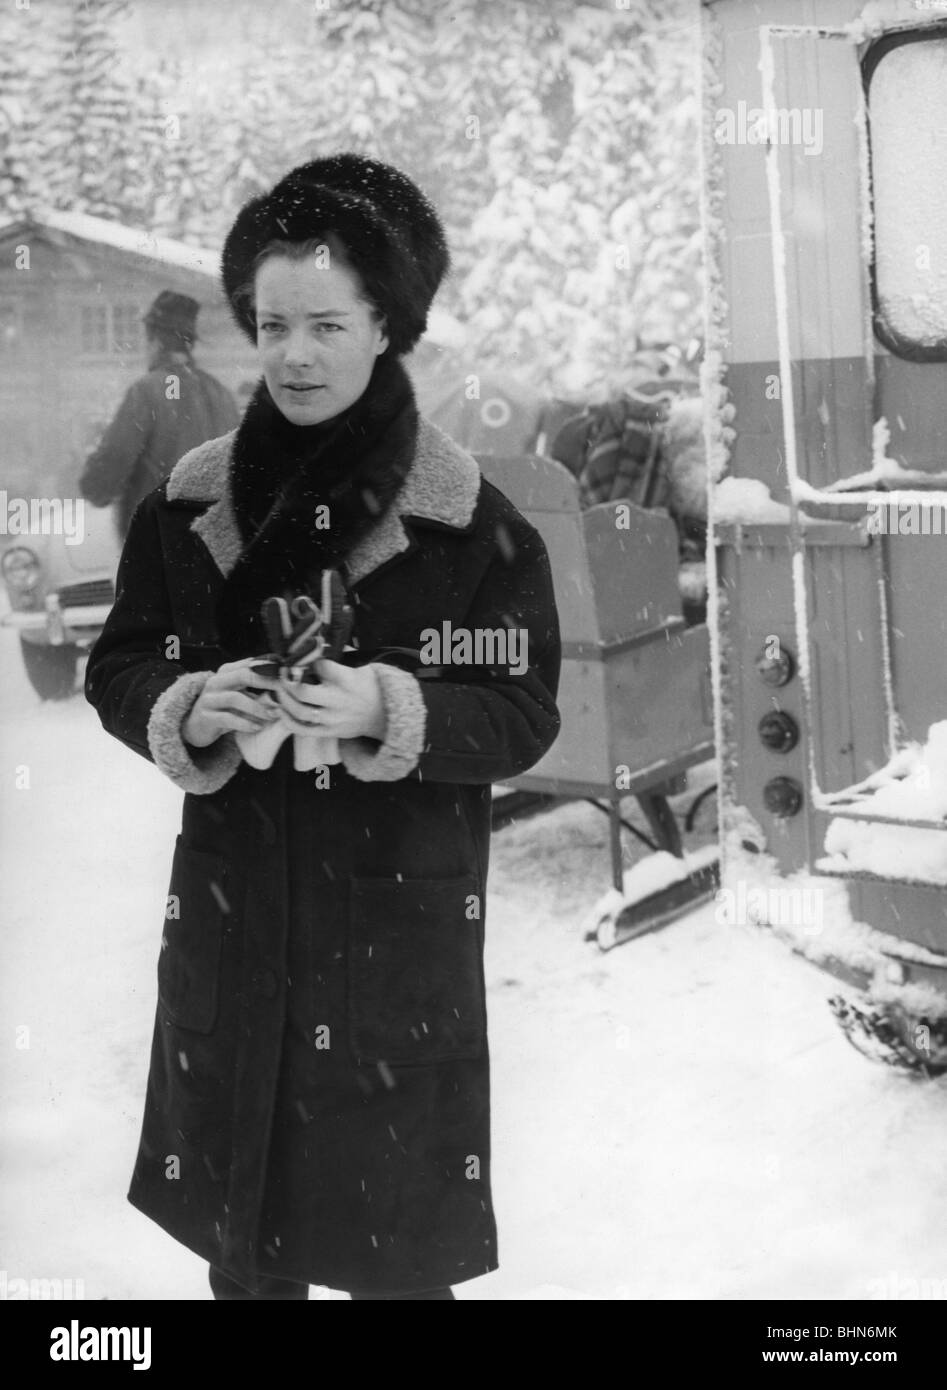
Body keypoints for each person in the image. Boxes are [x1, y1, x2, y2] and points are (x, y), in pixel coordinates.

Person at [84, 154, 562, 1301]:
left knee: (394, 1259)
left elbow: (518, 709)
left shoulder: (467, 526)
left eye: (327, 325)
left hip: (391, 949)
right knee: (245, 1252)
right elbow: (120, 662)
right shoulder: (192, 502)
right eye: (273, 323)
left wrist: (389, 708)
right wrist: (186, 702)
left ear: (388, 327)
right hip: (234, 922)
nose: (293, 353)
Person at [79, 291, 239, 537]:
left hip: (160, 543)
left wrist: (94, 486)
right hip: (215, 547)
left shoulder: (147, 391)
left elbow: (114, 460)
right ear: (190, 342)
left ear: (154, 341)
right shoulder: (222, 395)